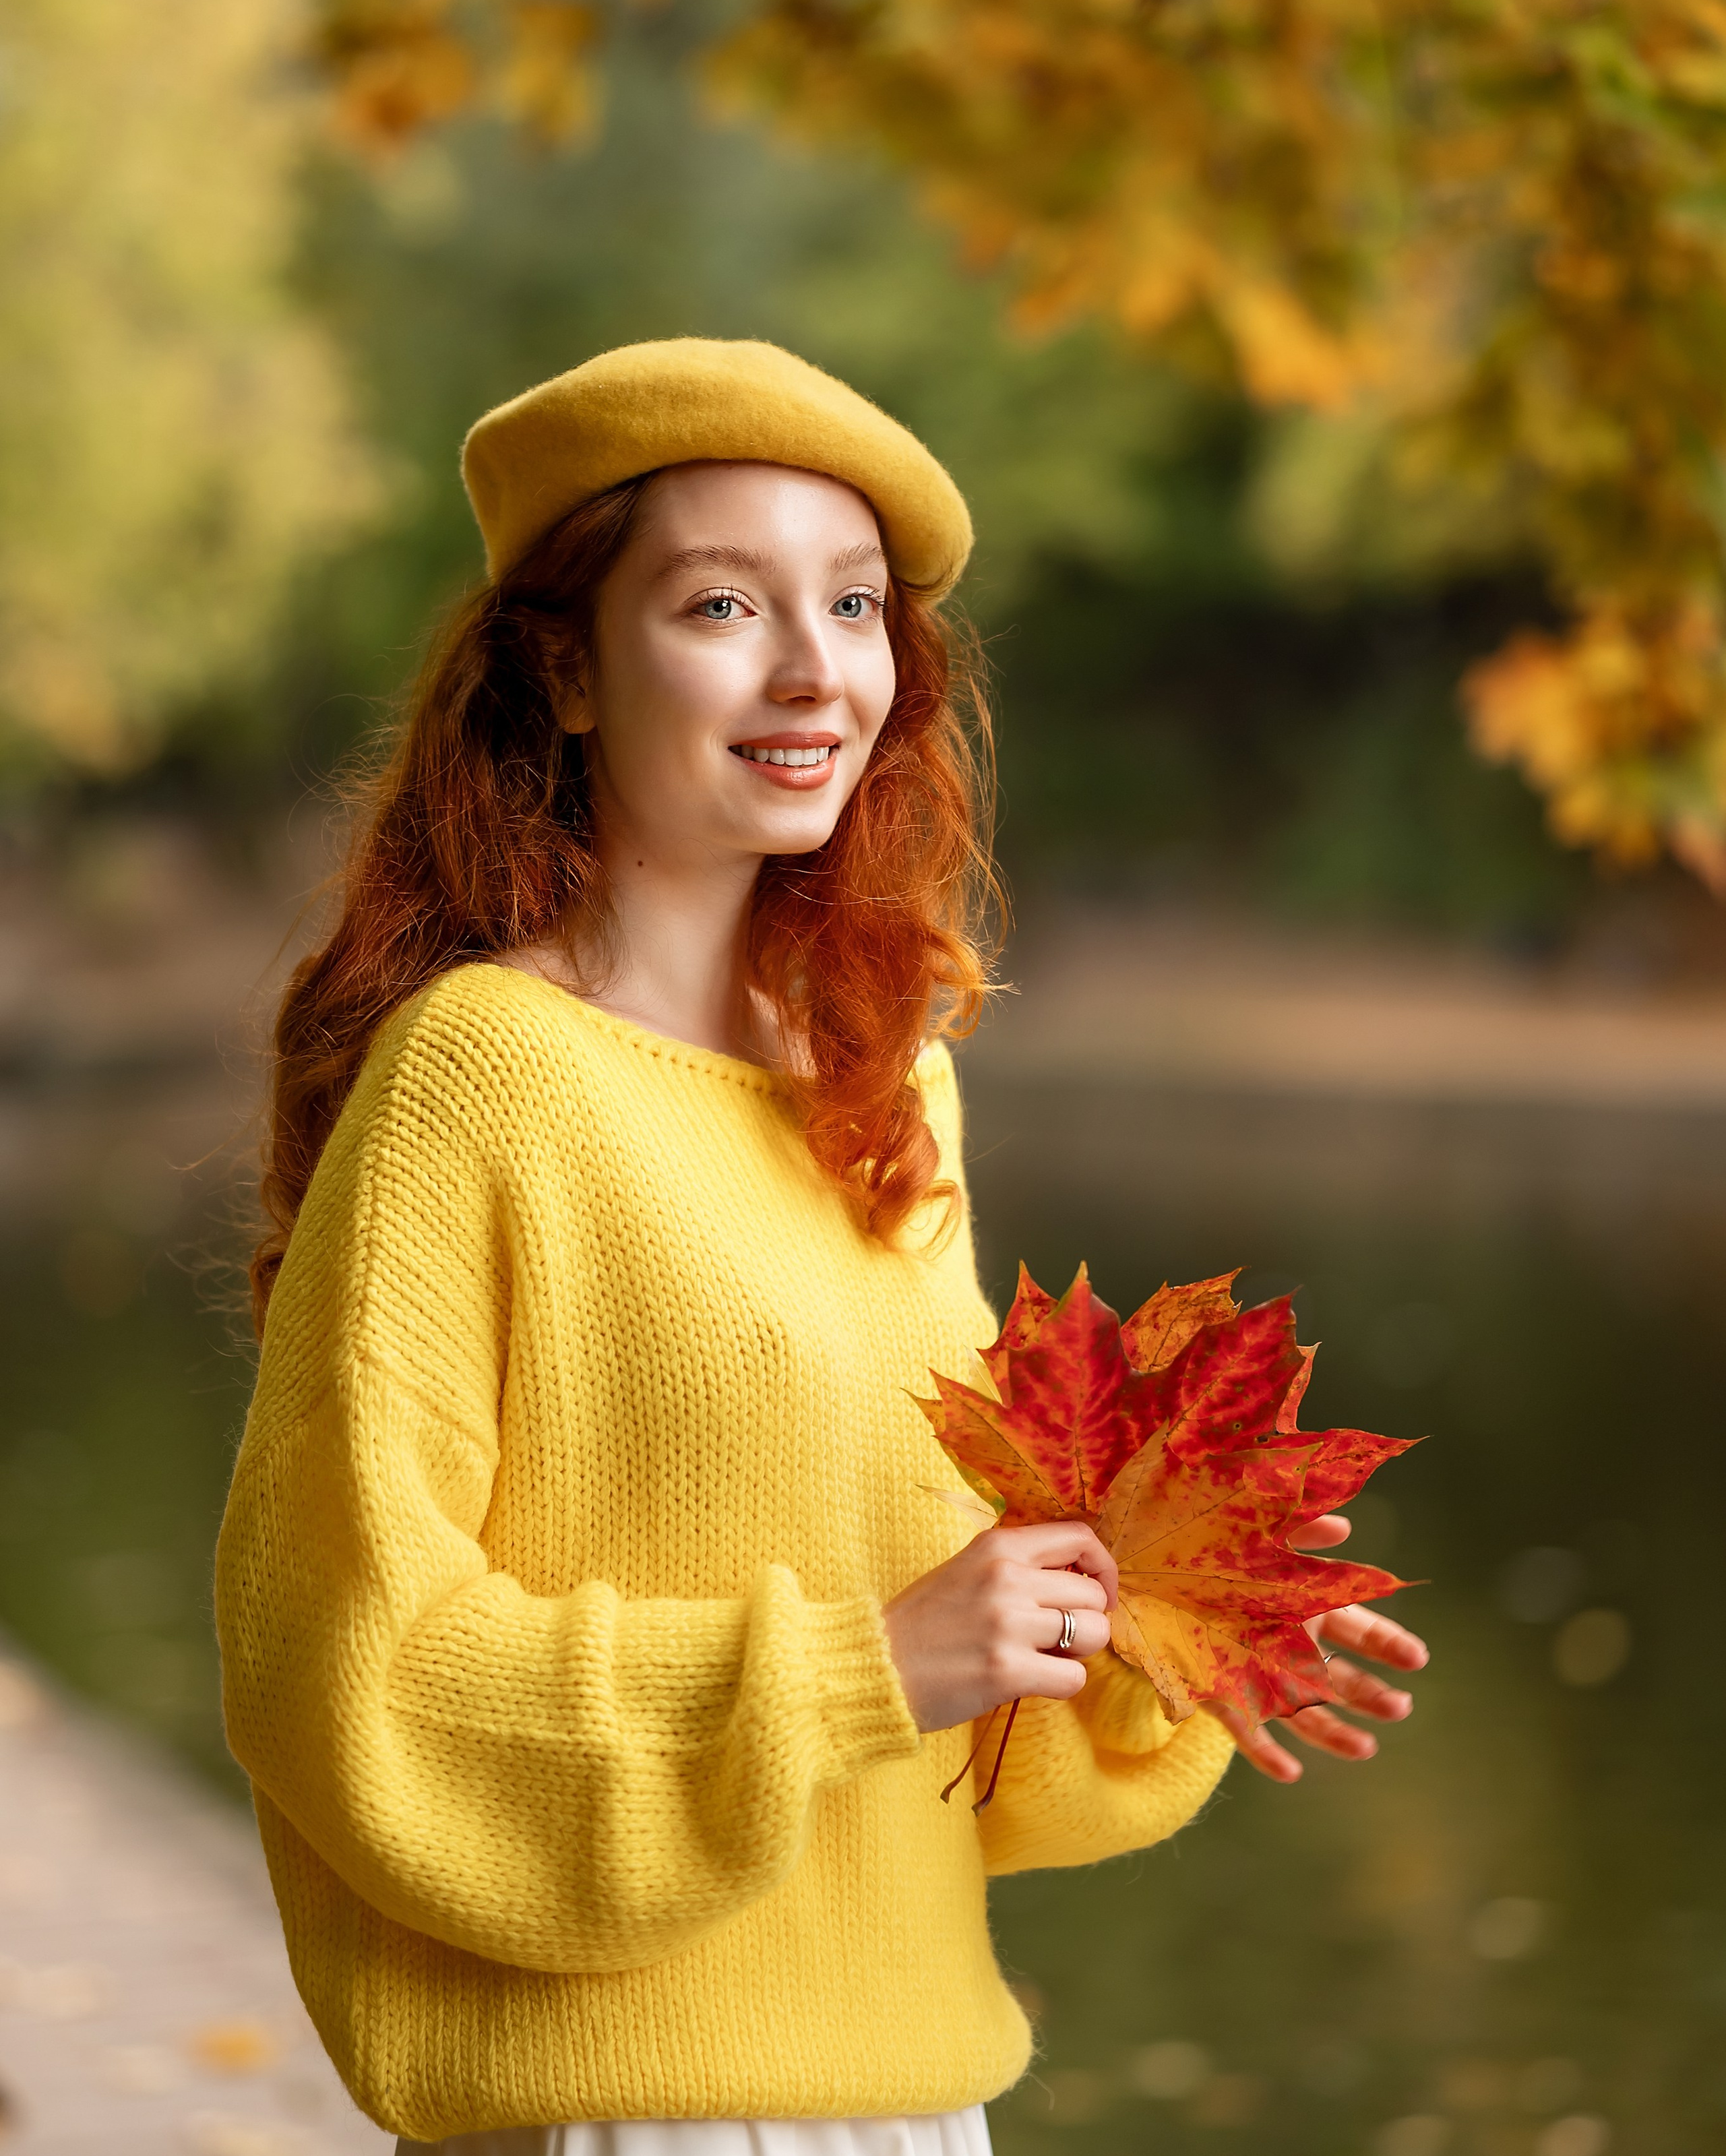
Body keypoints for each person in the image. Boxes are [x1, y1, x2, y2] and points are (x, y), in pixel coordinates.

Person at [214, 339, 1426, 2151]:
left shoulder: (890, 1085)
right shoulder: (479, 1075)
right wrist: (868, 1661)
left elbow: (940, 1714)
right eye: (722, 603)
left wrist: (1167, 1620)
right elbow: (348, 1657)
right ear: (562, 664)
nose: (813, 671)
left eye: (852, 607)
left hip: (915, 2097)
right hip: (626, 2110)